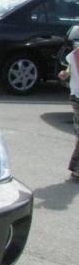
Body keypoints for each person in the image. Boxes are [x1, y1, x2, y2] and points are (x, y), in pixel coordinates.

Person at [58, 44, 79, 179]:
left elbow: (67, 71)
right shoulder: (74, 55)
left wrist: (65, 74)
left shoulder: (73, 55)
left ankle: (76, 169)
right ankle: (76, 169)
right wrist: (65, 74)